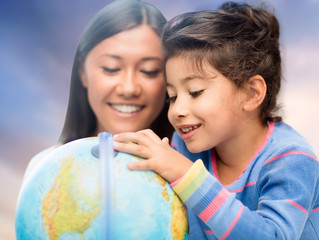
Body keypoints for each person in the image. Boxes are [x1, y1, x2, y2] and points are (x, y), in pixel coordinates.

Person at [113, 2, 319, 239]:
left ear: (252, 94)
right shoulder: (185, 148)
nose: (177, 110)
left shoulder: (291, 159)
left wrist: (186, 175)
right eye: (171, 96)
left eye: (195, 92)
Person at [22, 0, 173, 177]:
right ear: (82, 72)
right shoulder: (47, 168)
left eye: (149, 71)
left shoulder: (187, 171)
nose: (129, 88)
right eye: (111, 68)